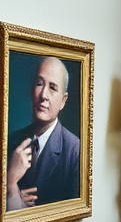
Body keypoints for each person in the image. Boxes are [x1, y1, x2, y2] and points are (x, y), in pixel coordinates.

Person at [6, 55, 81, 210]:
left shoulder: (75, 150)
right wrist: (10, 183)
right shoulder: (12, 140)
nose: (43, 95)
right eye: (39, 84)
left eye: (53, 88)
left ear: (63, 100)